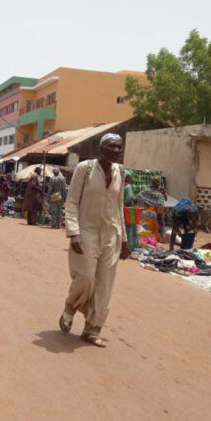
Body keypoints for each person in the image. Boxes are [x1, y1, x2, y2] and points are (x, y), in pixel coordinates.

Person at [59, 133, 130, 347]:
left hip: (111, 234)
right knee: (86, 278)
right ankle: (70, 307)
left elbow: (119, 207)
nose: (116, 150)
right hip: (86, 231)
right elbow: (71, 202)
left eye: (119, 147)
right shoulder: (85, 169)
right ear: (101, 148)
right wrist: (74, 233)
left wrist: (124, 239)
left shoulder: (121, 171)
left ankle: (92, 329)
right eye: (111, 146)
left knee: (104, 285)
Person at [135, 176, 166, 241]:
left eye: (158, 182)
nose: (157, 183)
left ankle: (158, 237)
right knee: (155, 224)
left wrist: (163, 191)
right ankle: (155, 237)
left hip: (155, 211)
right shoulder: (152, 192)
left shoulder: (156, 190)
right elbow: (139, 195)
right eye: (156, 182)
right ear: (154, 183)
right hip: (153, 211)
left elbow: (164, 199)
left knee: (158, 224)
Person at [122, 170, 140, 250]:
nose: (131, 178)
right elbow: (129, 199)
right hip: (130, 210)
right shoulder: (128, 187)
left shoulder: (121, 186)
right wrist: (135, 198)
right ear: (128, 178)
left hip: (122, 209)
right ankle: (131, 246)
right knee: (131, 228)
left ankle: (123, 247)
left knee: (124, 228)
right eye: (130, 177)